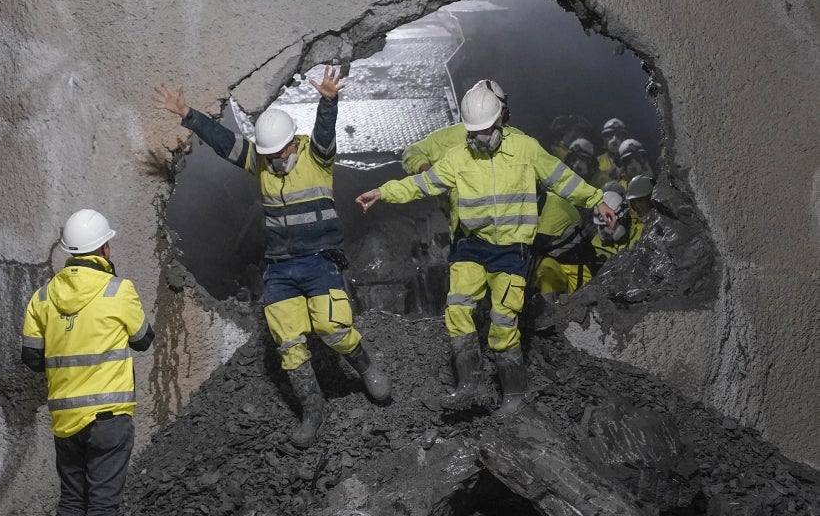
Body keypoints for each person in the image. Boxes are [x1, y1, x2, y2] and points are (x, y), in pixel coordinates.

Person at [154, 68, 389, 449]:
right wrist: (188, 115)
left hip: (320, 260)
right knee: (288, 342)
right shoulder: (262, 162)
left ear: (292, 144)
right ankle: (313, 411)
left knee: (332, 328)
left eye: (279, 153)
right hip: (281, 267)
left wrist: (329, 102)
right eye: (269, 155)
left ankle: (366, 366)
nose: (275, 161)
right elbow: (226, 144)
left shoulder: (316, 158)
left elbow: (325, 135)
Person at [357, 84, 616, 410]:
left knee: (503, 321)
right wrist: (383, 192)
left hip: (511, 248)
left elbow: (560, 178)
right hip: (471, 244)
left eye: (486, 130)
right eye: (474, 132)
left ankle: (514, 397)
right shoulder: (458, 157)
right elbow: (423, 184)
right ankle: (469, 385)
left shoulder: (525, 149)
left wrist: (595, 199)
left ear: (500, 120)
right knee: (457, 309)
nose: (480, 138)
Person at [21, 209, 154, 516]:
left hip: (65, 421)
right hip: (110, 419)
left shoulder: (42, 297)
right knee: (103, 504)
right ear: (104, 248)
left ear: (69, 252)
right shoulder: (118, 291)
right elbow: (143, 339)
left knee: (71, 501)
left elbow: (31, 358)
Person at [401, 77, 510, 236]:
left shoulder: (519, 142)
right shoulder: (449, 139)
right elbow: (412, 152)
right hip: (468, 230)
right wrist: (429, 173)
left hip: (502, 232)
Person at [592, 190, 642, 260]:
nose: (607, 230)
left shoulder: (642, 233)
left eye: (609, 224)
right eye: (602, 226)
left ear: (624, 219)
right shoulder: (593, 247)